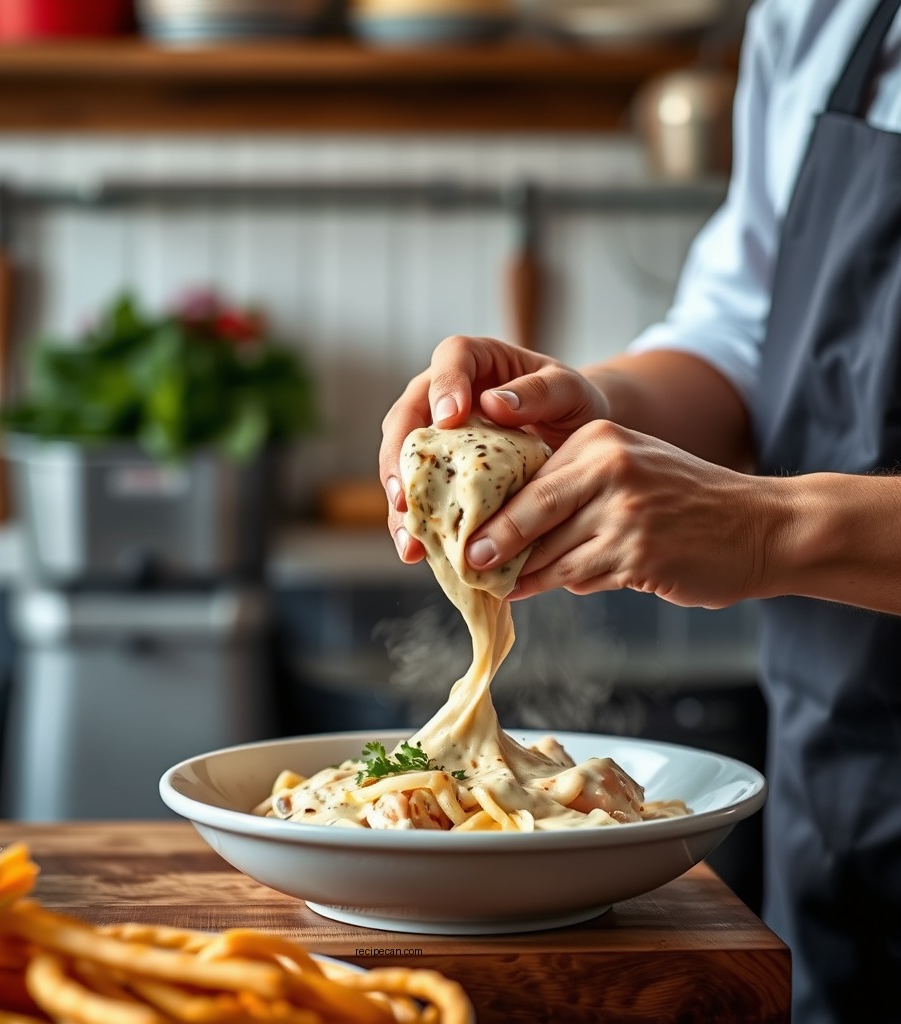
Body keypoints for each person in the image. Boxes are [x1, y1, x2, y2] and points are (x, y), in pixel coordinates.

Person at [378, 1, 901, 1021]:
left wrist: (770, 528)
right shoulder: (823, 16)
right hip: (848, 801)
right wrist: (579, 413)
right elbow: (743, 333)